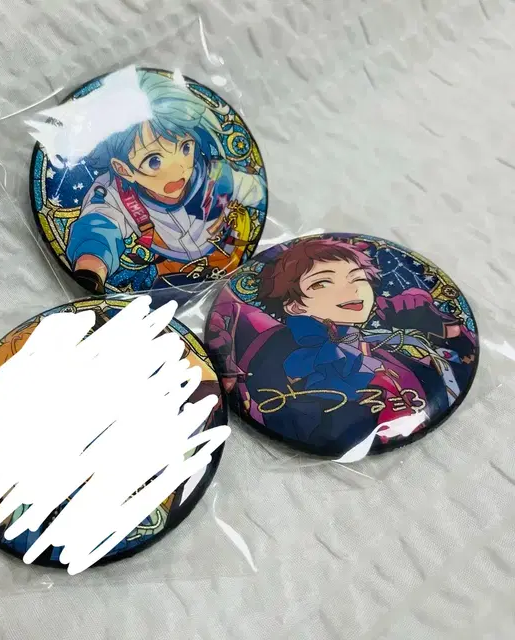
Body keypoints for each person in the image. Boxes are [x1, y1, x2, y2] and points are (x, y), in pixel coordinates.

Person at [207, 237, 477, 455]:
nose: (352, 290)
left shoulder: (381, 346)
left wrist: (442, 327)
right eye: (322, 282)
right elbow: (292, 418)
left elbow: (451, 370)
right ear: (294, 305)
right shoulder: (282, 352)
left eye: (358, 278)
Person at [66, 70, 266, 292]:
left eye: (185, 148)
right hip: (175, 270)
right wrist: (92, 265)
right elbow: (99, 225)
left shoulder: (215, 176)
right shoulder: (117, 196)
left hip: (231, 254)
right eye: (154, 161)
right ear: (123, 169)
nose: (178, 170)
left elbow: (255, 190)